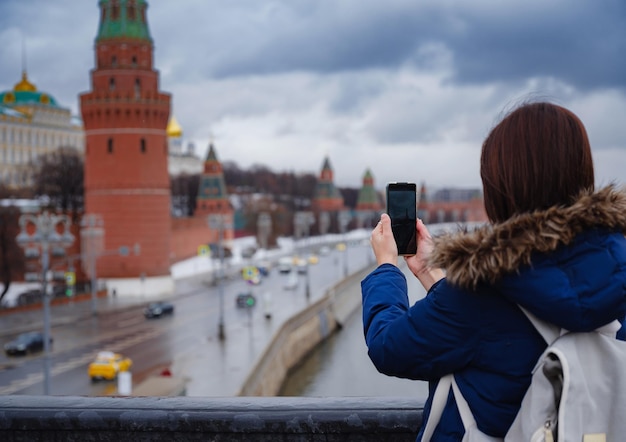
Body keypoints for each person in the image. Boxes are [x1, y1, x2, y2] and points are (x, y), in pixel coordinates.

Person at [361, 101, 626, 441]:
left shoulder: (481, 294)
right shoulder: (617, 277)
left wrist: (387, 267)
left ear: (503, 191)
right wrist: (434, 275)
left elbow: (388, 346)